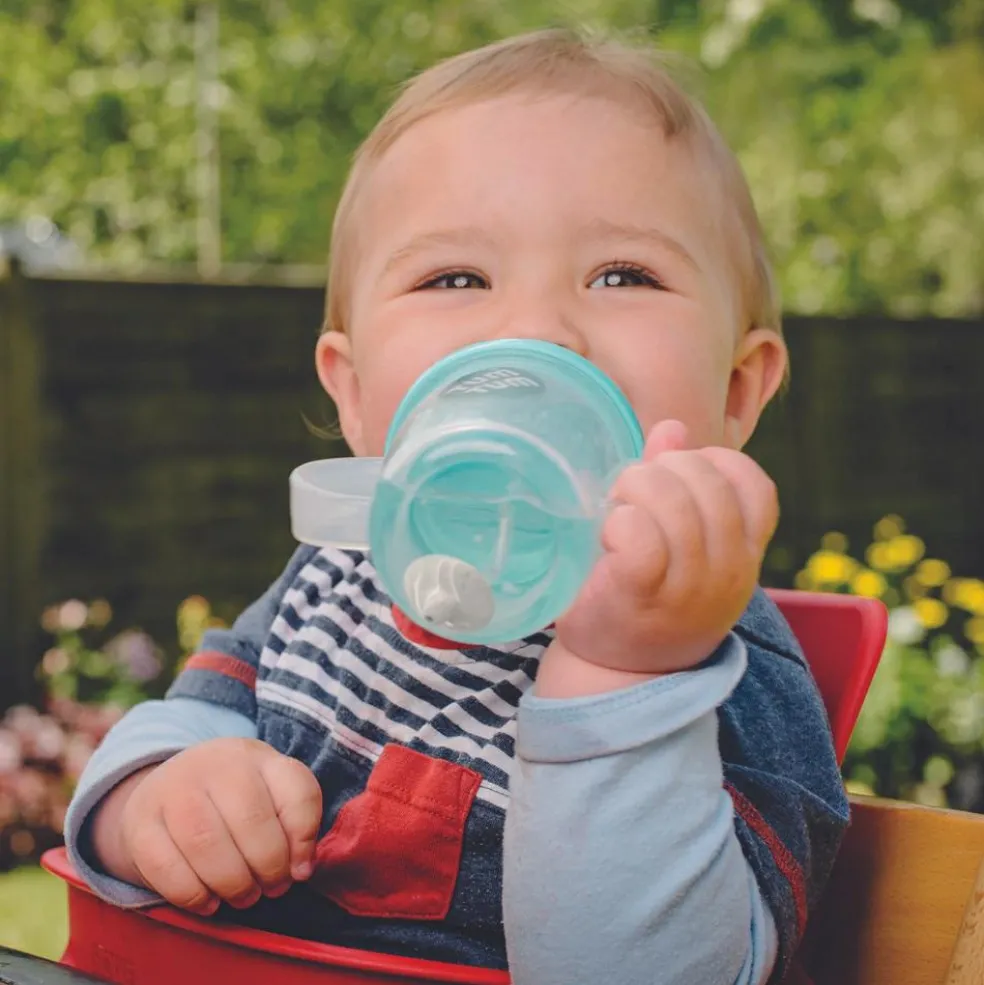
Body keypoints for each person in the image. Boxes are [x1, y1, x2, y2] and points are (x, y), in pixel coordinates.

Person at [64, 29, 847, 985]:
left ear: (735, 391)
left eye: (623, 275)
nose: (536, 331)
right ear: (355, 394)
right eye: (455, 278)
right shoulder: (335, 577)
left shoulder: (722, 664)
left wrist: (623, 672)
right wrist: (161, 797)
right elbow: (189, 719)